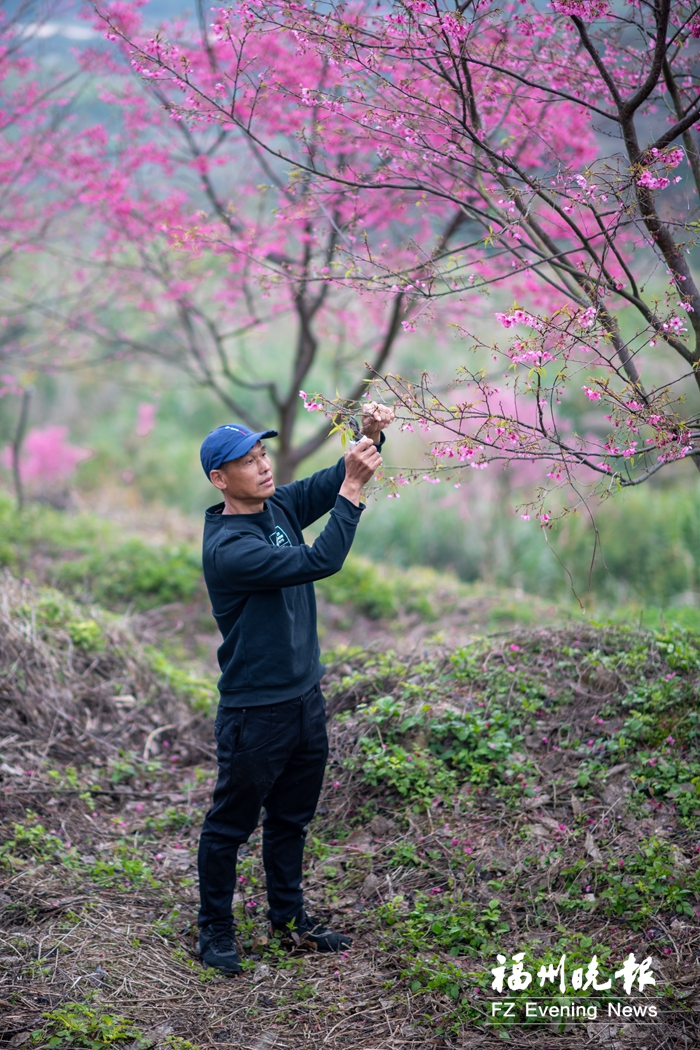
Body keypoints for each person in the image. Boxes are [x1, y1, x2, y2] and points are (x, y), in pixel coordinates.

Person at [196, 404, 395, 974]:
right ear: (219, 479)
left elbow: (337, 476)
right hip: (254, 711)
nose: (263, 466)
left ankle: (288, 921)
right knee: (230, 825)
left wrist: (370, 436)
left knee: (291, 819)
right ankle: (215, 931)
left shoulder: (277, 503)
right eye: (247, 461)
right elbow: (321, 559)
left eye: (263, 454)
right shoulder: (229, 547)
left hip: (305, 699)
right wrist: (353, 492)